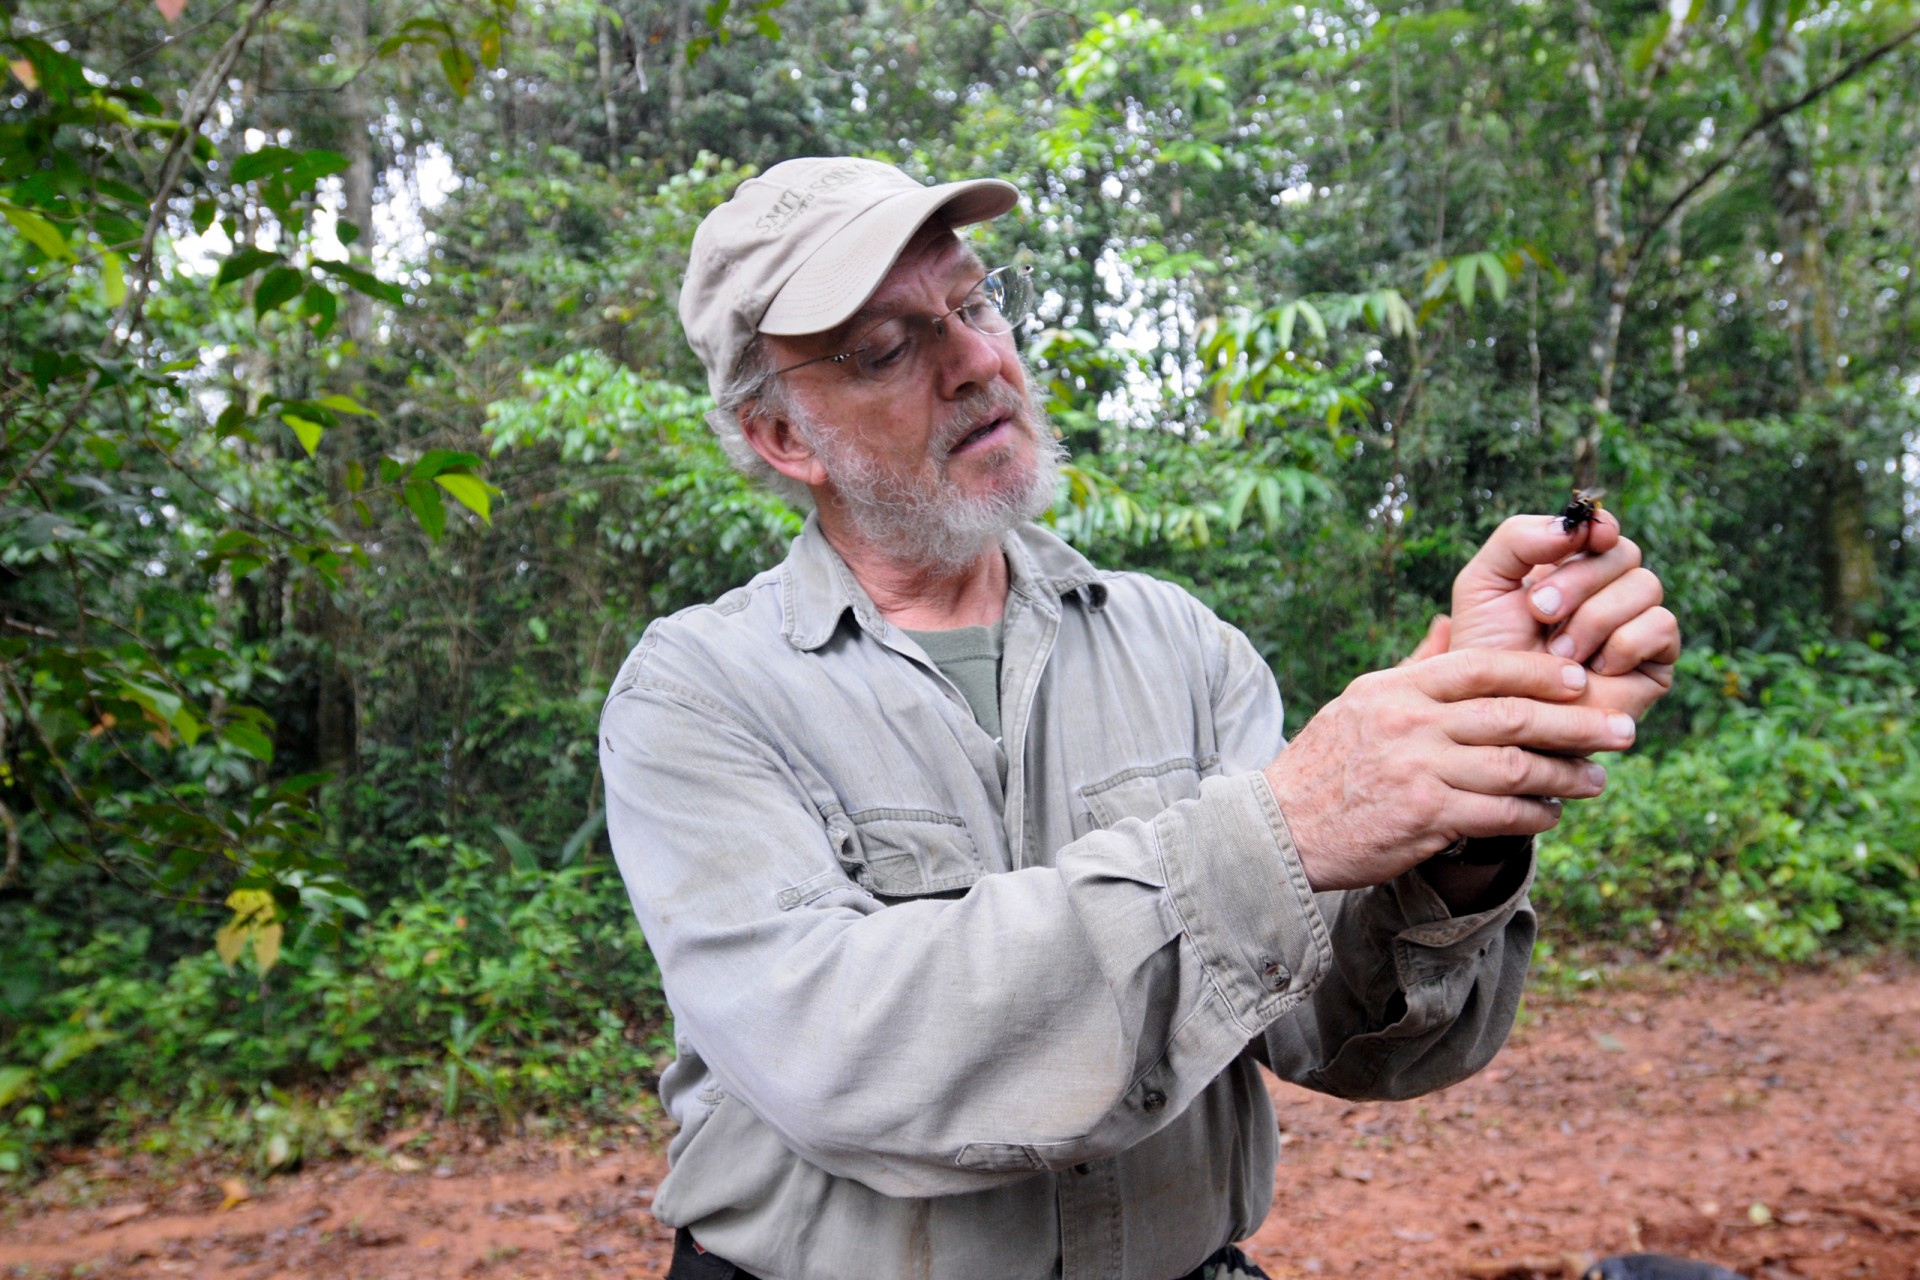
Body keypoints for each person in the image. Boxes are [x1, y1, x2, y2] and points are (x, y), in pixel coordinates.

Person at [599, 156, 1680, 1280]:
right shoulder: (696, 691)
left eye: (973, 303)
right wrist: (1290, 826)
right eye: (885, 347)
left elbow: (1340, 1030)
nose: (975, 360)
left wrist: (1473, 793)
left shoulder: (1178, 642)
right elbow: (847, 1055)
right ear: (782, 437)